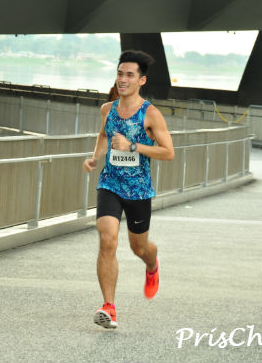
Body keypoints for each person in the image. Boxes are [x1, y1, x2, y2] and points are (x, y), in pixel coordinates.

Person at [82, 50, 174, 329]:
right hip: (110, 183)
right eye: (120, 74)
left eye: (129, 75)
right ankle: (108, 307)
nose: (122, 80)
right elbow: (103, 135)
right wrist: (95, 157)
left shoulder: (151, 114)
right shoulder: (107, 110)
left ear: (141, 80)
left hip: (138, 191)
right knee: (107, 238)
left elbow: (168, 152)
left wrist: (133, 146)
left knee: (139, 247)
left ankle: (152, 264)